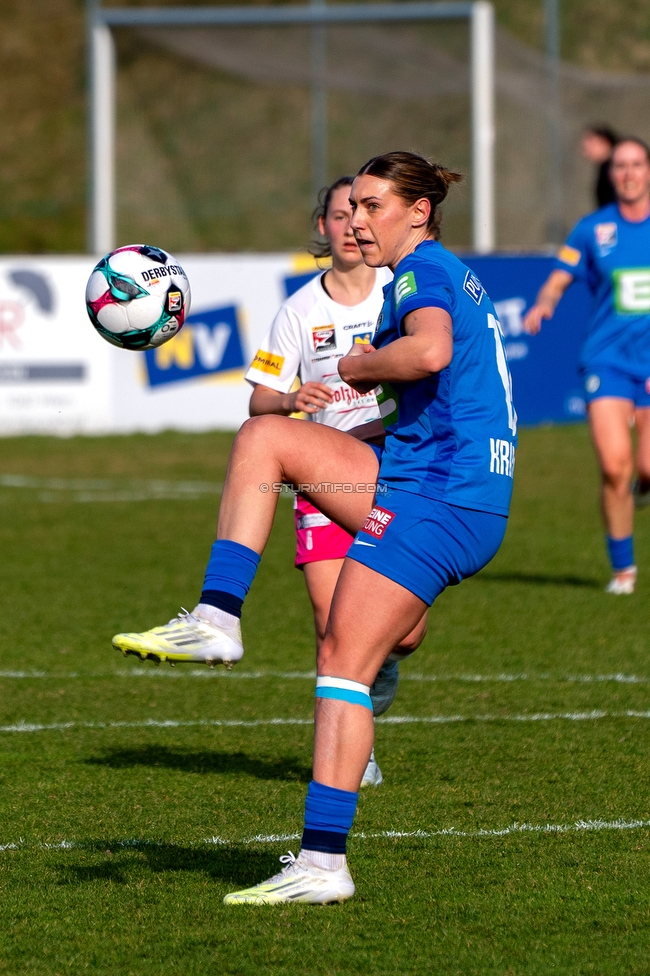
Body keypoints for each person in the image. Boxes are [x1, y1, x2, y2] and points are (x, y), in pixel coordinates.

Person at [112, 150, 517, 904]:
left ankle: (324, 864)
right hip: (435, 483)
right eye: (352, 206)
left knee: (342, 663)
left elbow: (429, 351)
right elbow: (432, 391)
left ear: (419, 213)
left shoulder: (422, 273)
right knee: (266, 440)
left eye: (372, 206)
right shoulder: (428, 275)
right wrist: (348, 418)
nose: (357, 220)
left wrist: (363, 367)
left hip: (442, 495)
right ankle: (217, 617)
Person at [245, 175, 424, 789]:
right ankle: (356, 749)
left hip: (393, 472)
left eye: (361, 211)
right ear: (323, 226)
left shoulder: (399, 295)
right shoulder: (298, 311)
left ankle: (379, 672)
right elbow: (260, 402)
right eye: (339, 214)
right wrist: (292, 398)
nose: (352, 224)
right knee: (331, 620)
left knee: (406, 635)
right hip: (325, 484)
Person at [524, 137, 650, 594]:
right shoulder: (593, 229)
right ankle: (623, 571)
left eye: (636, 164)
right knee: (615, 469)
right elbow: (559, 278)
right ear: (610, 174)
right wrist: (545, 301)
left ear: (649, 170)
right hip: (607, 363)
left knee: (646, 468)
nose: (628, 173)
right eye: (620, 165)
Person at [581, 126, 618, 209]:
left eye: (591, 146)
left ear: (604, 141)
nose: (587, 153)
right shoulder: (605, 168)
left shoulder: (615, 168)